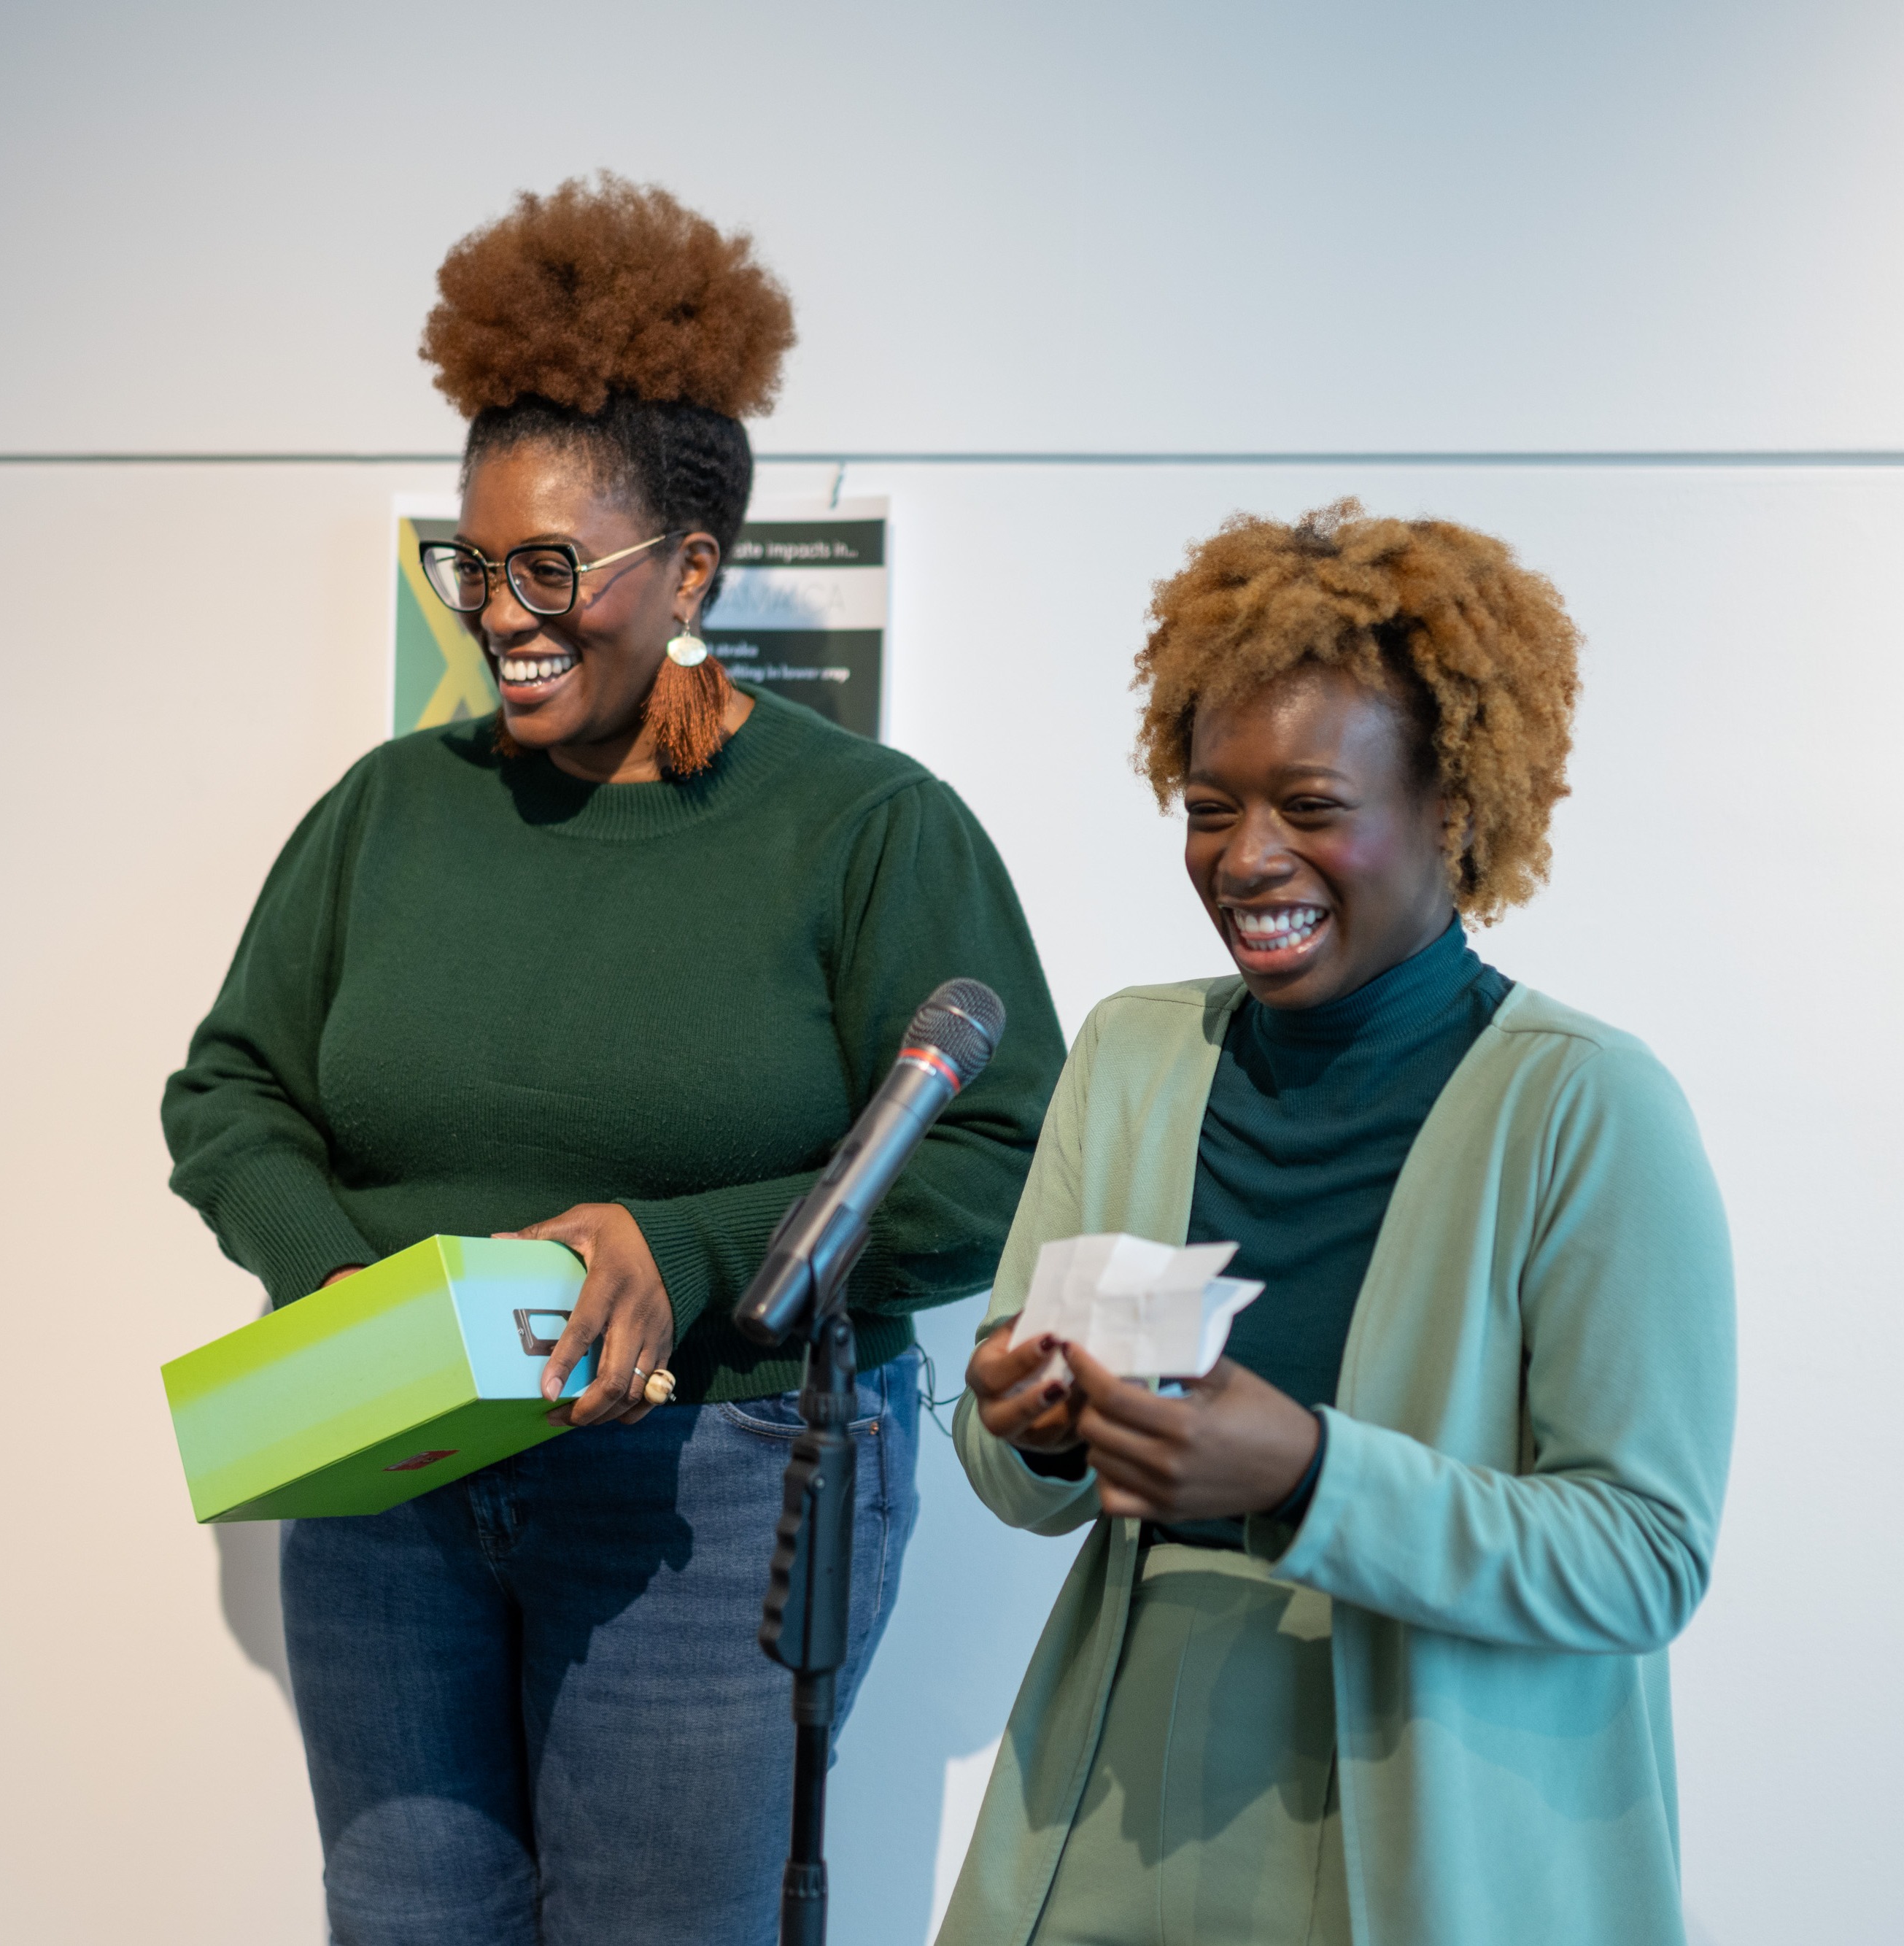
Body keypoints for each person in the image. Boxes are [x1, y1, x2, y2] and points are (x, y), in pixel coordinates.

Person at [162, 174, 1065, 1946]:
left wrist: (696, 1248)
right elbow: (230, 1087)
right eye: (473, 562)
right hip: (392, 1479)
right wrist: (333, 1273)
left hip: (709, 1477)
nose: (501, 609)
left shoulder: (865, 827)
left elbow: (996, 1148)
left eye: (552, 567)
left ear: (693, 571)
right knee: (410, 1921)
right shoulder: (388, 811)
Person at [943, 501, 1734, 1946]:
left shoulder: (1586, 1106)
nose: (1244, 857)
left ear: (1453, 807)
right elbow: (1017, 1478)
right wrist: (1030, 1417)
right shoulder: (1129, 1056)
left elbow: (1641, 1554)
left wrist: (1307, 1473)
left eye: (1308, 806)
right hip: (1121, 1792)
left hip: (1441, 1821)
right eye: (1206, 804)